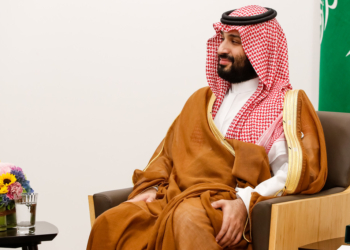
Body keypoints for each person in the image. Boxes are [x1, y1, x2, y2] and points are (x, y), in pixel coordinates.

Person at [87, 5, 327, 250]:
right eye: (222, 39)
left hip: (226, 203)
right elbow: (168, 155)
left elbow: (291, 174)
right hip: (176, 195)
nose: (222, 48)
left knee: (187, 219)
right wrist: (153, 187)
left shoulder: (285, 105)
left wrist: (243, 203)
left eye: (234, 41)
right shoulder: (202, 100)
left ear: (261, 49)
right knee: (111, 221)